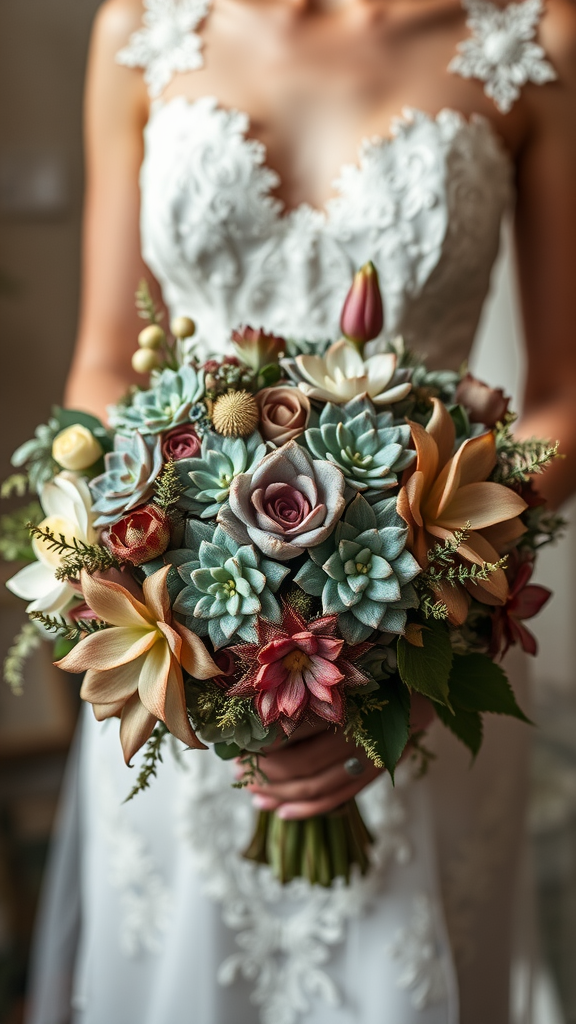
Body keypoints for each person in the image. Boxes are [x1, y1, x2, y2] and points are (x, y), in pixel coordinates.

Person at [26, 0, 576, 1021]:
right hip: (180, 647)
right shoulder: (142, 27)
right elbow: (107, 360)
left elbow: (563, 391)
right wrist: (138, 574)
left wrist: (428, 639)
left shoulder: (535, 40)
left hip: (441, 617)